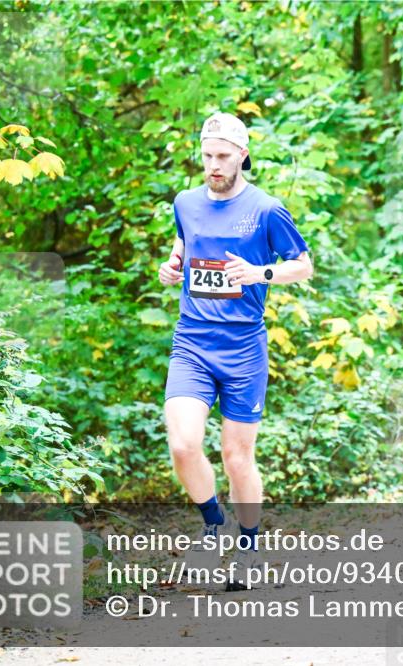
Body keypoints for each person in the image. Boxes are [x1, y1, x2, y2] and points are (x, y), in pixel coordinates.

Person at [157, 112, 313, 589]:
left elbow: (302, 267)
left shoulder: (266, 209)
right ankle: (212, 523)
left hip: (244, 347)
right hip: (193, 342)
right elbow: (184, 244)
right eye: (207, 156)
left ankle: (248, 545)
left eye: (223, 156)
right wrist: (172, 264)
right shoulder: (185, 201)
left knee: (236, 457)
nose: (213, 165)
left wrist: (259, 273)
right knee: (183, 445)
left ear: (243, 155)